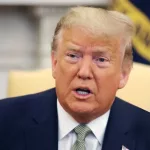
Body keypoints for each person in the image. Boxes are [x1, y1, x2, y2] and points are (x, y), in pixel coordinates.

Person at [0, 6, 150, 150]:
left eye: (101, 60)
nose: (84, 72)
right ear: (55, 63)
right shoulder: (5, 121)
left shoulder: (145, 135)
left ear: (123, 74)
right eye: (73, 56)